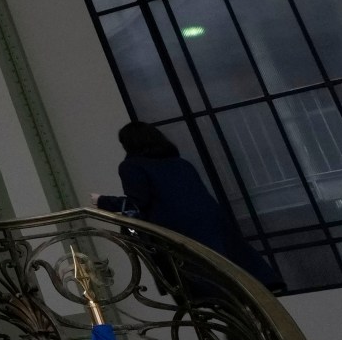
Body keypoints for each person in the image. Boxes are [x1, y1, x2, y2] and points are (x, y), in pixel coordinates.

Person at [97, 121, 283, 290]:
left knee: (203, 278)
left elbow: (137, 203)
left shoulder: (132, 166)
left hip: (179, 229)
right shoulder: (181, 163)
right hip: (213, 223)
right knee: (229, 269)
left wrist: (101, 201)